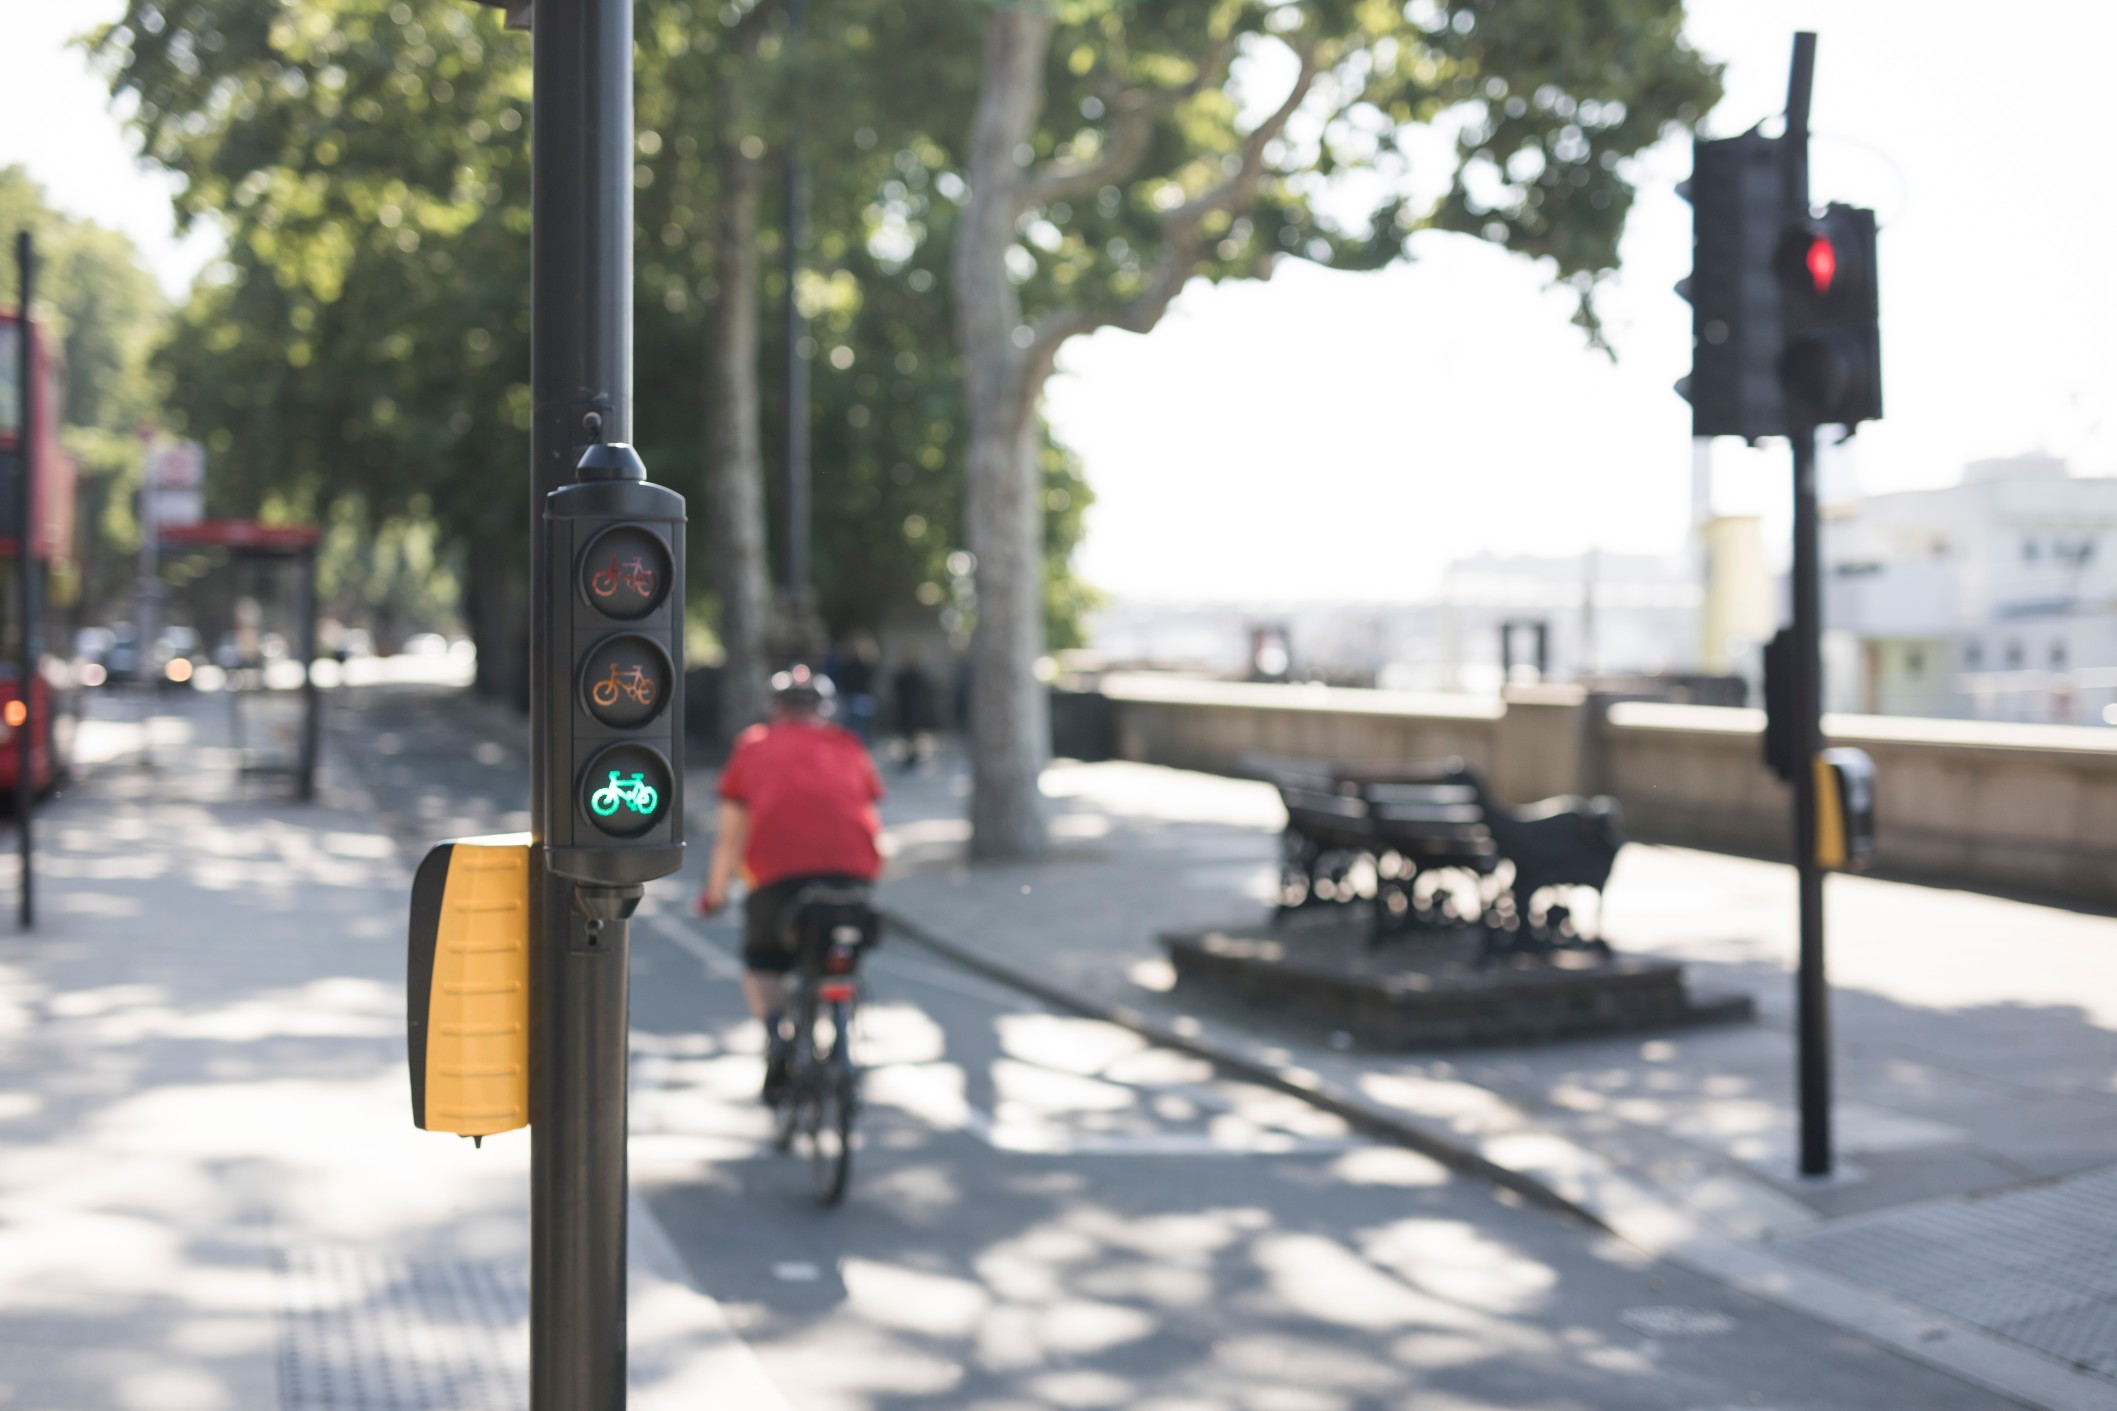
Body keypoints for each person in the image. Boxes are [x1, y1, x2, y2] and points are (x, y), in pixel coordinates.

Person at [695, 664, 883, 1100]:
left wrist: (714, 895)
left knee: (763, 961)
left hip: (776, 878)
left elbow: (729, 838)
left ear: (775, 707)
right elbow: (872, 819)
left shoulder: (753, 745)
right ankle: (841, 1013)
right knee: (841, 953)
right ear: (825, 708)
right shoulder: (847, 744)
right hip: (852, 878)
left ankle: (777, 1037)